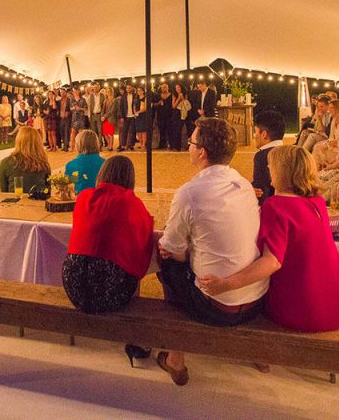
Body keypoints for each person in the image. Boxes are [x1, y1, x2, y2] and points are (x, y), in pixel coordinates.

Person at [155, 118, 267, 386]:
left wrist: (182, 253)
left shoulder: (190, 193)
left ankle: (175, 357)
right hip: (256, 298)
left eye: (191, 142)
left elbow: (171, 248)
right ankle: (260, 354)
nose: (189, 146)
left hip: (218, 305)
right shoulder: (243, 185)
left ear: (202, 152)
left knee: (165, 260)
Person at [199, 146, 339, 332]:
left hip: (308, 310)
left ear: (282, 171)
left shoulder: (276, 205)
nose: (269, 170)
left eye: (271, 166)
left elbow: (272, 262)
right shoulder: (317, 201)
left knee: (250, 300)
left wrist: (226, 284)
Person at [63, 156, 154, 315]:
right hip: (110, 289)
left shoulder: (84, 197)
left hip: (73, 284)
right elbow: (143, 234)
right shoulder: (131, 203)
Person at [0, 126, 51, 195]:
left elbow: (4, 192)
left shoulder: (6, 162)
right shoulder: (43, 163)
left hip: (15, 203)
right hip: (38, 202)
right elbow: (48, 190)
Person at [251, 110, 286, 204]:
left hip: (274, 208)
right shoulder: (290, 152)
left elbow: (260, 192)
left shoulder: (262, 156)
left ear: (264, 134)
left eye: (255, 132)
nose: (254, 136)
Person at [65, 129, 108, 193]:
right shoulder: (106, 164)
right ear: (96, 144)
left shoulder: (71, 165)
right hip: (101, 199)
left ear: (78, 145)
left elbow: (71, 186)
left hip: (80, 199)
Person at [170, 83, 192, 150]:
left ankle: (184, 145)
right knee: (176, 129)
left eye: (179, 87)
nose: (177, 89)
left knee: (182, 129)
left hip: (183, 113)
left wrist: (182, 97)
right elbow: (173, 106)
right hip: (176, 113)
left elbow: (186, 103)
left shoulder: (185, 94)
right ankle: (176, 146)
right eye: (176, 88)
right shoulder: (174, 95)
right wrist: (179, 98)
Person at [155, 83, 174, 149]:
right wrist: (158, 103)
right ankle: (162, 145)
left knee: (170, 131)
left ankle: (171, 145)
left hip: (169, 116)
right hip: (160, 116)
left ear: (168, 88)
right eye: (162, 87)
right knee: (161, 131)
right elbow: (154, 105)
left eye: (165, 87)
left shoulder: (171, 95)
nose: (164, 88)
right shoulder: (158, 96)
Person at [68, 86, 87, 151]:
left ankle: (81, 148)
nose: (74, 92)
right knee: (73, 132)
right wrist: (74, 108)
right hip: (74, 118)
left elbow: (86, 108)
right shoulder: (71, 99)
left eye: (76, 91)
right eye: (73, 91)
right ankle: (72, 147)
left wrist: (80, 108)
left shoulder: (83, 99)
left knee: (80, 133)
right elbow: (70, 108)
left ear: (78, 91)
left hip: (81, 118)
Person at [86, 83, 104, 148]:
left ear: (99, 88)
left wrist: (103, 115)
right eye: (94, 88)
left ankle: (100, 145)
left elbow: (103, 106)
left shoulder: (102, 96)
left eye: (96, 87)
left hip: (99, 115)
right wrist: (89, 116)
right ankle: (95, 144)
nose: (95, 89)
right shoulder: (91, 96)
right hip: (92, 115)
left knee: (100, 131)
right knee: (94, 131)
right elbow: (89, 106)